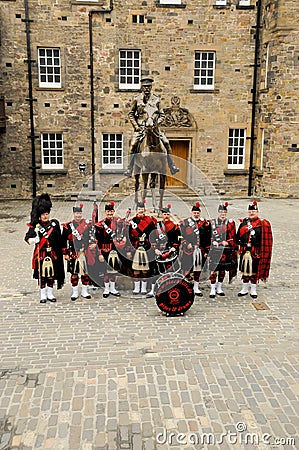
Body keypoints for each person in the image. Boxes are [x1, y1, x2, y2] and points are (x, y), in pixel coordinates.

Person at [124, 77, 180, 177]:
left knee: (166, 142)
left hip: (154, 128)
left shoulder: (156, 99)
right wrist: (136, 126)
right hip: (141, 128)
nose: (146, 89)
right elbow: (131, 114)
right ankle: (129, 168)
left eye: (149, 87)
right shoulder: (136, 99)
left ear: (151, 87)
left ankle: (172, 166)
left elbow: (162, 115)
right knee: (133, 144)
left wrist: (156, 124)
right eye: (145, 87)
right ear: (142, 87)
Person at [24, 193, 65, 303]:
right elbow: (27, 238)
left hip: (52, 253)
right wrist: (34, 240)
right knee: (42, 275)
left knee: (51, 274)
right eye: (43, 214)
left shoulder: (54, 224)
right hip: (41, 254)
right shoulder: (36, 226)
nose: (45, 216)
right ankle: (43, 294)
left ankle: (50, 293)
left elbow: (60, 240)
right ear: (40, 215)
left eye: (47, 214)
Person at [236, 200, 273, 299]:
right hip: (245, 250)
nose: (251, 213)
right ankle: (244, 289)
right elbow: (237, 236)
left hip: (255, 251)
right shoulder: (244, 223)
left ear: (257, 212)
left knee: (254, 271)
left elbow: (265, 240)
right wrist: (239, 245)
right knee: (245, 270)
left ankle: (253, 290)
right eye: (250, 212)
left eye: (253, 212)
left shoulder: (262, 224)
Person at [147, 204, 181, 298]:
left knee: (170, 270)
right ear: (162, 215)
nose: (166, 216)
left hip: (170, 251)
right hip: (158, 251)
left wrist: (175, 247)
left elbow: (179, 237)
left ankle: (169, 287)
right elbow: (152, 237)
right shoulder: (157, 226)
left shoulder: (174, 226)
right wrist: (155, 249)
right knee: (155, 271)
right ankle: (153, 289)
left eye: (167, 214)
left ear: (170, 215)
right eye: (164, 214)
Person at [61, 204, 94, 301]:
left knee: (85, 273)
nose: (78, 215)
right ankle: (75, 292)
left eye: (80, 213)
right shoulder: (68, 227)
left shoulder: (87, 224)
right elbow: (63, 241)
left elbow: (92, 235)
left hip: (84, 252)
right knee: (74, 273)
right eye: (76, 213)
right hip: (73, 252)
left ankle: (84, 291)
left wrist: (93, 243)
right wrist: (65, 253)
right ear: (73, 214)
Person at [95, 201, 126, 298]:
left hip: (115, 249)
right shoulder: (100, 225)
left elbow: (123, 231)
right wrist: (99, 253)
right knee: (105, 270)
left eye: (111, 211)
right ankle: (106, 288)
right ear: (105, 212)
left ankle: (113, 288)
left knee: (113, 269)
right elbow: (97, 240)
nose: (109, 213)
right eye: (108, 212)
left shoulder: (118, 222)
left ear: (113, 212)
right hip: (104, 249)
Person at [180, 202, 211, 296]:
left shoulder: (205, 223)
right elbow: (180, 236)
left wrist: (206, 251)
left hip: (200, 250)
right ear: (192, 212)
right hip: (188, 249)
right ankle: (186, 286)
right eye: (194, 212)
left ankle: (196, 287)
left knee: (198, 269)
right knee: (187, 268)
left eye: (198, 213)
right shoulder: (185, 223)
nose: (196, 214)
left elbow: (208, 237)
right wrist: (186, 243)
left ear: (200, 213)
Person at [126, 201, 157, 295]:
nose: (141, 211)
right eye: (139, 209)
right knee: (136, 268)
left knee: (145, 268)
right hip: (136, 246)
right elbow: (128, 236)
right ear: (136, 210)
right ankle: (136, 288)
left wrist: (153, 245)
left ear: (144, 210)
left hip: (146, 246)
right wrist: (128, 249)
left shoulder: (149, 221)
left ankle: (143, 288)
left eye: (142, 209)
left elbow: (153, 233)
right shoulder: (132, 221)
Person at [208, 202, 238, 298]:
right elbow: (208, 235)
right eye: (221, 212)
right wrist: (212, 241)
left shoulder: (230, 223)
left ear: (226, 212)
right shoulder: (212, 222)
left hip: (225, 250)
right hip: (215, 249)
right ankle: (212, 288)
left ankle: (219, 287)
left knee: (222, 269)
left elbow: (233, 236)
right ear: (218, 212)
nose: (222, 214)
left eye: (224, 212)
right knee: (213, 269)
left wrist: (228, 242)